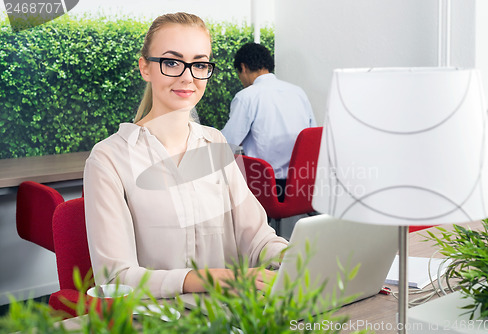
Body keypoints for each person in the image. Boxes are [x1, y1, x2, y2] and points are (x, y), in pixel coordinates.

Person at [83, 13, 288, 299]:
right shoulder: (109, 158)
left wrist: (296, 260)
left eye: (200, 64)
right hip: (157, 319)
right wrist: (216, 279)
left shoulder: (213, 142)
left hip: (231, 312)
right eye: (171, 62)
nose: (188, 77)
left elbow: (256, 237)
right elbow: (116, 277)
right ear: (145, 68)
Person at [221, 43, 316, 202]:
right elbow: (312, 138)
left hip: (266, 185)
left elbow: (227, 143)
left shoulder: (247, 97)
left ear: (243, 68)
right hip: (304, 184)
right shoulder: (298, 92)